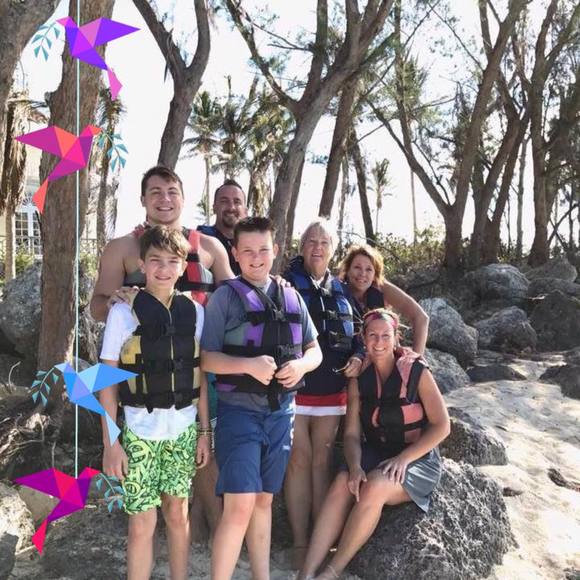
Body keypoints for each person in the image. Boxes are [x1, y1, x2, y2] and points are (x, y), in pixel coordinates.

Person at [200, 216, 323, 580]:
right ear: (235, 253)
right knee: (239, 504)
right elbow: (206, 359)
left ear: (276, 250)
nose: (256, 258)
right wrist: (248, 365)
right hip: (238, 414)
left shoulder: (291, 295)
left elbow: (314, 349)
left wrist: (301, 366)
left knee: (264, 500)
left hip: (281, 414)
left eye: (264, 250)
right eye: (248, 251)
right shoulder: (224, 298)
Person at [297, 309, 450, 580]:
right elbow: (352, 435)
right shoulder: (359, 379)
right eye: (372, 336)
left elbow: (442, 426)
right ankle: (306, 573)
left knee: (375, 486)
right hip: (377, 451)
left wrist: (404, 459)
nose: (379, 342)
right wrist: (355, 466)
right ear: (363, 338)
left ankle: (332, 571)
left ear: (396, 338)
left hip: (417, 457)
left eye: (385, 336)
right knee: (343, 482)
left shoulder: (416, 371)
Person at [99, 225, 211, 580]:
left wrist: (204, 433)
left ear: (183, 266)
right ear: (142, 265)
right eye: (155, 260)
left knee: (178, 514)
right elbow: (106, 382)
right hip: (138, 434)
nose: (164, 268)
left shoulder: (195, 312)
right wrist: (111, 443)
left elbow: (199, 376)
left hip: (183, 432)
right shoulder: (122, 313)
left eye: (172, 261)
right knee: (141, 524)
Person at [283, 220, 364, 569]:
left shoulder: (343, 290)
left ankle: (319, 538)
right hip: (296, 390)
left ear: (333, 249)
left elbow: (360, 335)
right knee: (298, 461)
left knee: (322, 462)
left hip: (332, 393)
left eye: (324, 242)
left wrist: (359, 356)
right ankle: (300, 542)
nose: (317, 247)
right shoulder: (285, 285)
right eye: (311, 241)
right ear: (302, 247)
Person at [91, 165, 234, 322]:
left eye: (172, 192)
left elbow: (237, 299)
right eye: (156, 192)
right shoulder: (121, 248)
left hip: (200, 336)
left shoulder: (210, 247)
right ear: (143, 200)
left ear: (183, 199)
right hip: (139, 336)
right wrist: (112, 303)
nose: (165, 198)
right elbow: (97, 310)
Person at [338, 244, 429, 353]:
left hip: (381, 354)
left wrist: (416, 358)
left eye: (369, 269)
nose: (362, 274)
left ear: (375, 275)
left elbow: (421, 317)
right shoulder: (335, 290)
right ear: (347, 270)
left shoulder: (381, 288)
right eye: (357, 267)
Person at [197, 179, 247, 275]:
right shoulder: (202, 239)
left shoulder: (253, 245)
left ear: (245, 211)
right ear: (214, 208)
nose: (231, 207)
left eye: (237, 202)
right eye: (224, 201)